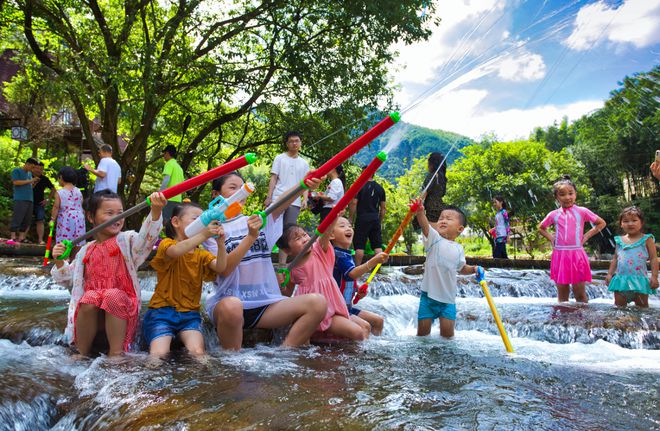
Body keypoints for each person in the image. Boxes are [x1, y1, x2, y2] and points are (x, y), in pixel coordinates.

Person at [204, 171, 327, 350]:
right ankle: (232, 362)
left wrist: (304, 185)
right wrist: (251, 237)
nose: (240, 193)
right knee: (232, 305)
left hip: (266, 306)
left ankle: (283, 353)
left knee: (318, 303)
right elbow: (224, 270)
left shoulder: (257, 220)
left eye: (242, 189)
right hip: (229, 304)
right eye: (233, 188)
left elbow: (279, 203)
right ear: (216, 195)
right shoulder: (209, 232)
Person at [51, 190, 166, 357]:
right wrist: (59, 260)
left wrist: (155, 212)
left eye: (120, 213)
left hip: (123, 306)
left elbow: (146, 240)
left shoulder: (127, 240)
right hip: (95, 312)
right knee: (89, 297)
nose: (117, 218)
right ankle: (82, 352)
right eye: (109, 213)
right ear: (91, 217)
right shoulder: (85, 250)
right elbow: (67, 280)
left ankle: (116, 353)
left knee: (112, 295)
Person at [144, 202, 227, 359]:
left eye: (205, 220)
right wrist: (204, 235)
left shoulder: (201, 254)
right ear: (176, 222)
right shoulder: (166, 244)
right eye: (197, 219)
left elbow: (220, 267)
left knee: (198, 353)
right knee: (159, 354)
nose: (203, 223)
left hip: (189, 315)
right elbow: (176, 252)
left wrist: (221, 244)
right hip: (161, 312)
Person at [277, 220, 370, 341]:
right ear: (287, 250)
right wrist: (281, 285)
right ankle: (353, 356)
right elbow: (287, 294)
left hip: (334, 308)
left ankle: (352, 354)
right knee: (357, 332)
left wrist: (335, 217)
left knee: (365, 327)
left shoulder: (319, 251)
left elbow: (325, 234)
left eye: (304, 234)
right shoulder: (291, 269)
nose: (305, 239)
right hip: (318, 314)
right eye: (297, 239)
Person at [415, 200, 482, 338]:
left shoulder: (459, 249)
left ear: (460, 229)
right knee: (422, 336)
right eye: (441, 218)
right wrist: (420, 212)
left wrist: (474, 268)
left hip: (448, 300)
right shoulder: (434, 240)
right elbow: (425, 226)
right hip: (428, 297)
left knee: (447, 337)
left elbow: (461, 268)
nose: (443, 220)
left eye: (448, 219)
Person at [538, 175, 606, 303]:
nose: (567, 197)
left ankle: (583, 321)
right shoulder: (553, 214)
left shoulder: (582, 211)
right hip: (560, 255)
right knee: (562, 297)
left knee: (580, 295)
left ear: (576, 194)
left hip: (577, 255)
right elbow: (541, 228)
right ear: (557, 197)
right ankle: (564, 322)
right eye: (562, 194)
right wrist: (552, 239)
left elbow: (601, 223)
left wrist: (586, 236)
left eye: (571, 193)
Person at [331, 216, 387, 335]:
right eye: (342, 226)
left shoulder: (346, 255)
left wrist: (357, 291)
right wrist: (373, 261)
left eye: (350, 226)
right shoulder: (337, 255)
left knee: (378, 321)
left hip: (347, 307)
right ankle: (357, 352)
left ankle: (375, 348)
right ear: (331, 235)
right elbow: (352, 274)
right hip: (337, 310)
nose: (348, 228)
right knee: (365, 326)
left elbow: (347, 280)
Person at [265, 131, 310, 265]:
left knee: (288, 233)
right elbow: (273, 178)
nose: (294, 143)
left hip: (295, 201)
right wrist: (269, 197)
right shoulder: (280, 158)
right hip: (278, 198)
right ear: (287, 143)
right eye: (291, 141)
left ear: (300, 143)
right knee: (272, 228)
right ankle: (264, 258)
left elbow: (306, 183)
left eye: (296, 141)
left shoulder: (304, 163)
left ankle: (282, 264)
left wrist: (305, 199)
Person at [606, 206, 658, 308]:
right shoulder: (619, 240)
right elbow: (616, 258)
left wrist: (654, 276)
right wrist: (609, 274)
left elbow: (653, 258)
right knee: (619, 310)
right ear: (621, 224)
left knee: (642, 310)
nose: (630, 224)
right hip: (621, 282)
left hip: (640, 282)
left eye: (634, 220)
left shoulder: (647, 239)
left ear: (641, 223)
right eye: (626, 221)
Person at [349, 172, 386, 265]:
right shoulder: (380, 188)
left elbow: (354, 203)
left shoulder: (359, 187)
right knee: (377, 246)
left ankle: (357, 268)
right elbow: (383, 208)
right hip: (375, 218)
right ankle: (378, 270)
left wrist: (350, 218)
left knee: (359, 246)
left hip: (362, 218)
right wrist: (380, 221)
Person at [51, 167, 86, 246]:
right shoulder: (78, 191)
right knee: (77, 241)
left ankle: (64, 257)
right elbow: (82, 205)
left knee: (64, 241)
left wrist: (52, 220)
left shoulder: (60, 192)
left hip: (66, 218)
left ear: (61, 177)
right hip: (79, 218)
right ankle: (75, 257)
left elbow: (56, 207)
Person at [412, 152, 447, 232]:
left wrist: (415, 206)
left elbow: (424, 192)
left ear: (432, 164)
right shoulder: (443, 178)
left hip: (431, 210)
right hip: (441, 209)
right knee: (438, 235)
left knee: (431, 236)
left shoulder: (432, 176)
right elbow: (443, 193)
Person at [9, 157, 39, 244]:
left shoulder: (29, 174)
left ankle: (22, 237)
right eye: (32, 167)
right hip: (20, 198)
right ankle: (13, 237)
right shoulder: (16, 171)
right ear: (27, 164)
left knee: (27, 219)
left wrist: (33, 183)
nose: (33, 169)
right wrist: (30, 180)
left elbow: (28, 185)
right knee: (17, 217)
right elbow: (16, 182)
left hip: (29, 199)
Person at [31, 161, 56, 244]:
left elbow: (53, 189)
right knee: (26, 220)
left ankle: (40, 240)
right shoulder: (28, 176)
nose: (38, 170)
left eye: (41, 169)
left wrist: (48, 199)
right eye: (37, 168)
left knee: (40, 220)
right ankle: (22, 238)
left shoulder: (44, 179)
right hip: (28, 201)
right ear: (33, 168)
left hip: (39, 203)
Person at [160, 144, 185, 220]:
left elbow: (166, 179)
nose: (163, 156)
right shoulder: (179, 168)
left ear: (167, 153)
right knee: (173, 221)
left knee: (164, 221)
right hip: (178, 199)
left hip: (169, 198)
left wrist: (160, 194)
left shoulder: (169, 163)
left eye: (164, 153)